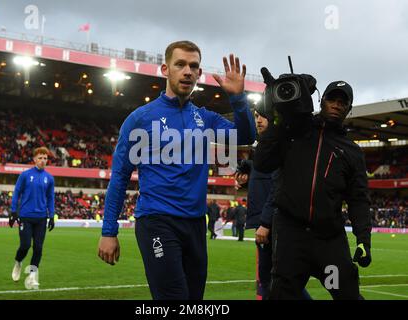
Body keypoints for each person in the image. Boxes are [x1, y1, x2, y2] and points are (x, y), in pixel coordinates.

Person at [98, 40, 256, 300]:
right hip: (157, 222)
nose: (187, 71)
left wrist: (238, 98)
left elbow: (245, 135)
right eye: (180, 64)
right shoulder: (140, 119)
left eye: (193, 66)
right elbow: (119, 177)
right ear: (165, 69)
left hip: (194, 225)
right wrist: (108, 231)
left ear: (199, 74)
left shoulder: (204, 118)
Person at [255, 70, 372, 300]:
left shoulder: (352, 152)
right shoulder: (294, 131)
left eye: (342, 102)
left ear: (349, 109)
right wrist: (280, 117)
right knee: (281, 296)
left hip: (328, 240)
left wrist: (363, 240)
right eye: (332, 99)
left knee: (347, 295)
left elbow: (359, 199)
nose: (336, 105)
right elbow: (262, 162)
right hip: (291, 236)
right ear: (321, 100)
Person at [236, 107, 311, 300]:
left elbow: (278, 186)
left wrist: (266, 222)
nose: (258, 120)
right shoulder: (266, 145)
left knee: (276, 281)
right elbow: (267, 175)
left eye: (263, 116)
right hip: (268, 222)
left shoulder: (278, 144)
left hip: (273, 224)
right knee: (274, 281)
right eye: (256, 116)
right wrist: (249, 169)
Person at [9, 147, 55, 290]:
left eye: (45, 158)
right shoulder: (25, 175)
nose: (43, 161)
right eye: (40, 158)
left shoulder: (49, 178)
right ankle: (18, 263)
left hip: (41, 218)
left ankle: (32, 275)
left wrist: (52, 215)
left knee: (38, 248)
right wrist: (13, 212)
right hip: (25, 216)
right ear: (34, 159)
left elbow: (50, 198)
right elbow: (17, 192)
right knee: (25, 245)